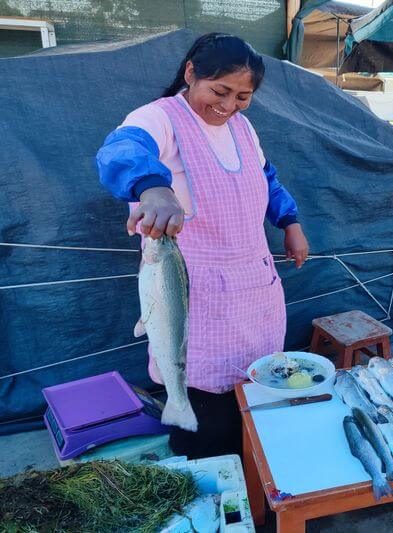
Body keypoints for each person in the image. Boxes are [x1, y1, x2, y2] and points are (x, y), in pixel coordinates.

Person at [96, 33, 310, 458]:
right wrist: (153, 188)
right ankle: (214, 486)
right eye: (220, 91)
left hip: (253, 290)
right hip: (196, 291)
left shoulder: (242, 128)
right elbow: (120, 150)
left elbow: (266, 178)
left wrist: (290, 222)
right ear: (191, 73)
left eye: (243, 97)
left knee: (252, 395)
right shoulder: (159, 118)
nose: (228, 106)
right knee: (206, 415)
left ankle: (254, 479)